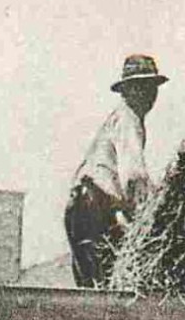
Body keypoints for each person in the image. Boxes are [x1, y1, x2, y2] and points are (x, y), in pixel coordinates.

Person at [65, 54, 169, 288]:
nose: (149, 94)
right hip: (93, 205)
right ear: (127, 90)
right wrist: (149, 219)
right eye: (141, 87)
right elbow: (134, 177)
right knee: (105, 285)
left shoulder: (119, 119)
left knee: (92, 284)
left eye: (152, 87)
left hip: (83, 207)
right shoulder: (128, 119)